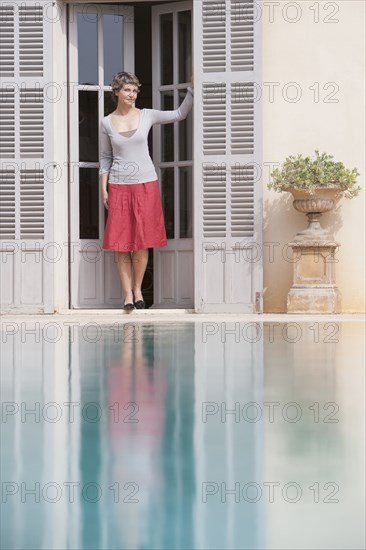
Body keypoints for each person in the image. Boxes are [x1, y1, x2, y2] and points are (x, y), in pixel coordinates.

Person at [99, 71, 194, 311]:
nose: (132, 94)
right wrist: (104, 189)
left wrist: (192, 88)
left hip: (146, 184)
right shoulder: (106, 122)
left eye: (134, 90)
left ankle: (139, 290)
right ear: (117, 92)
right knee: (121, 244)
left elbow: (180, 114)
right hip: (119, 186)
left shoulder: (147, 115)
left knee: (141, 242)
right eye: (127, 90)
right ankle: (127, 296)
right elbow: (105, 158)